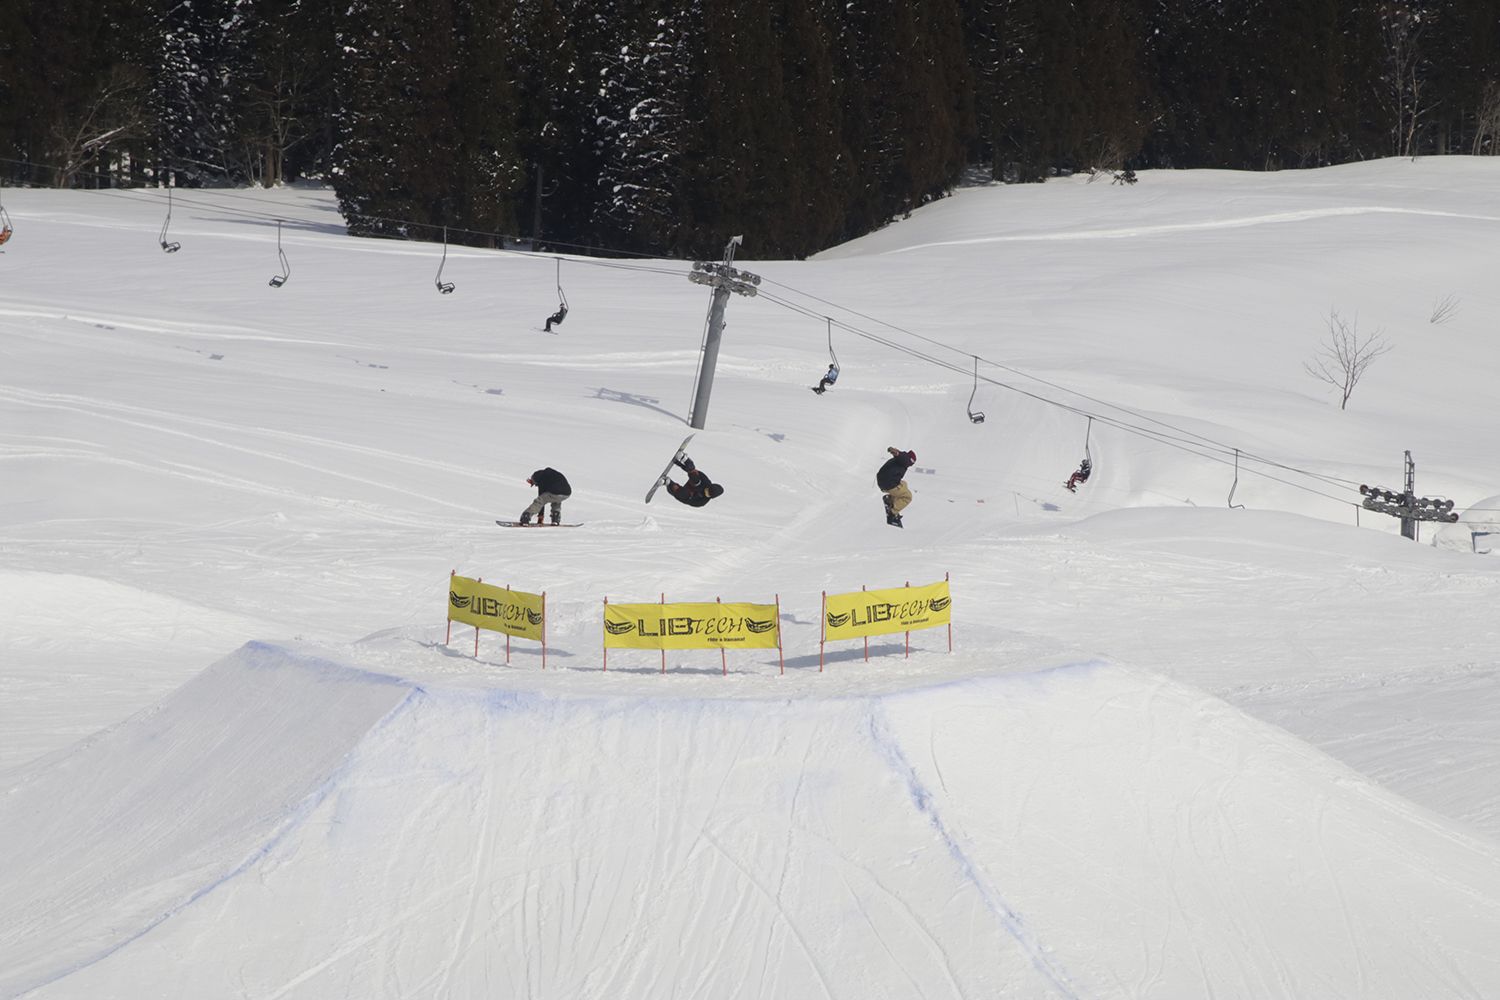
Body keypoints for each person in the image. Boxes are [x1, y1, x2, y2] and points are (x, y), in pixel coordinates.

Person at [877, 446, 915, 527]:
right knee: (908, 497)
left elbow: (901, 456)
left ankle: (890, 500)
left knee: (904, 484)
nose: (911, 465)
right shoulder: (906, 460)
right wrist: (896, 452)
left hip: (882, 481)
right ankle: (893, 512)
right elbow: (904, 457)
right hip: (889, 484)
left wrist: (896, 453)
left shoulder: (897, 460)